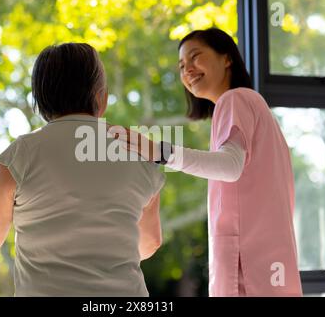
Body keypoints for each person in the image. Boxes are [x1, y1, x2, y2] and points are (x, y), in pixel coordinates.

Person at [0, 43, 165, 296]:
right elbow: (150, 241)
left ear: (40, 101)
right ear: (100, 96)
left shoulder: (22, 153)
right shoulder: (139, 153)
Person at [112, 28, 303, 297]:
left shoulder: (235, 99)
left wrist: (159, 151)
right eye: (181, 65)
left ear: (226, 58)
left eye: (195, 57)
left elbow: (229, 166)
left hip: (248, 263)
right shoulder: (253, 107)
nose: (187, 69)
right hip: (270, 263)